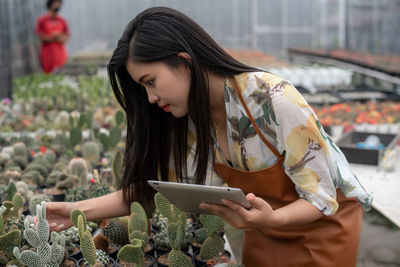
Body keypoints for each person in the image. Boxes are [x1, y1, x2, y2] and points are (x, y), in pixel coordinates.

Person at [46, 7, 372, 267]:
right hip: (263, 228)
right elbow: (153, 189)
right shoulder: (187, 119)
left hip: (320, 230)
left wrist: (271, 218)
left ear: (184, 63)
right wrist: (77, 210)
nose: (149, 98)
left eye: (150, 81)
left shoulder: (272, 99)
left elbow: (321, 199)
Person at [36, 0, 69, 73]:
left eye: (59, 4)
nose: (58, 6)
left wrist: (58, 36)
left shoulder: (62, 20)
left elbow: (66, 37)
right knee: (48, 75)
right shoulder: (42, 20)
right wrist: (55, 37)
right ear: (50, 5)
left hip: (60, 54)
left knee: (61, 74)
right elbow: (41, 37)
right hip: (47, 55)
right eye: (55, 3)